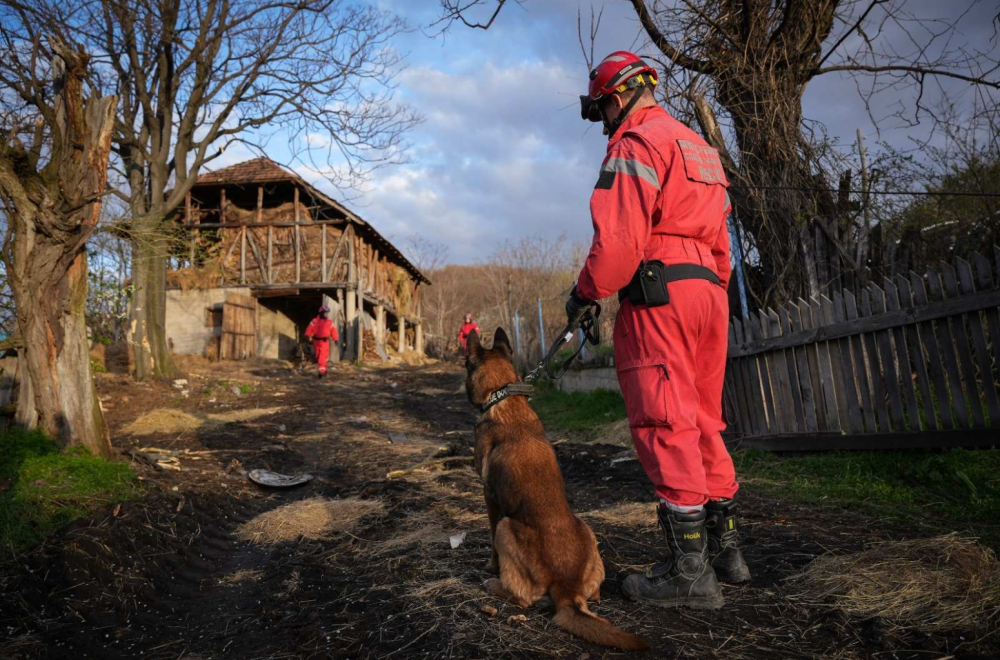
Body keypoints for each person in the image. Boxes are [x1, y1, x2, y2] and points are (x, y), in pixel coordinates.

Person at [566, 51, 750, 610]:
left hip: (659, 294)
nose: (604, 123)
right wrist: (710, 290)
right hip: (709, 294)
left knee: (664, 417)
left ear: (617, 97)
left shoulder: (634, 144)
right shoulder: (700, 147)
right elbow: (722, 247)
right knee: (702, 419)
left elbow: (618, 246)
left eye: (601, 111)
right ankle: (727, 551)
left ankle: (689, 574)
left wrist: (584, 294)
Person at [304, 305, 338, 378]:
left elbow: (333, 331)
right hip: (316, 341)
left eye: (327, 313)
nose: (327, 315)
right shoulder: (314, 321)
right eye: (326, 313)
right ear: (321, 313)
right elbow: (309, 328)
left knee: (322, 356)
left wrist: (335, 339)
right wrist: (307, 335)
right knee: (318, 355)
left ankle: (321, 371)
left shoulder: (329, 322)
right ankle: (324, 370)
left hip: (324, 341)